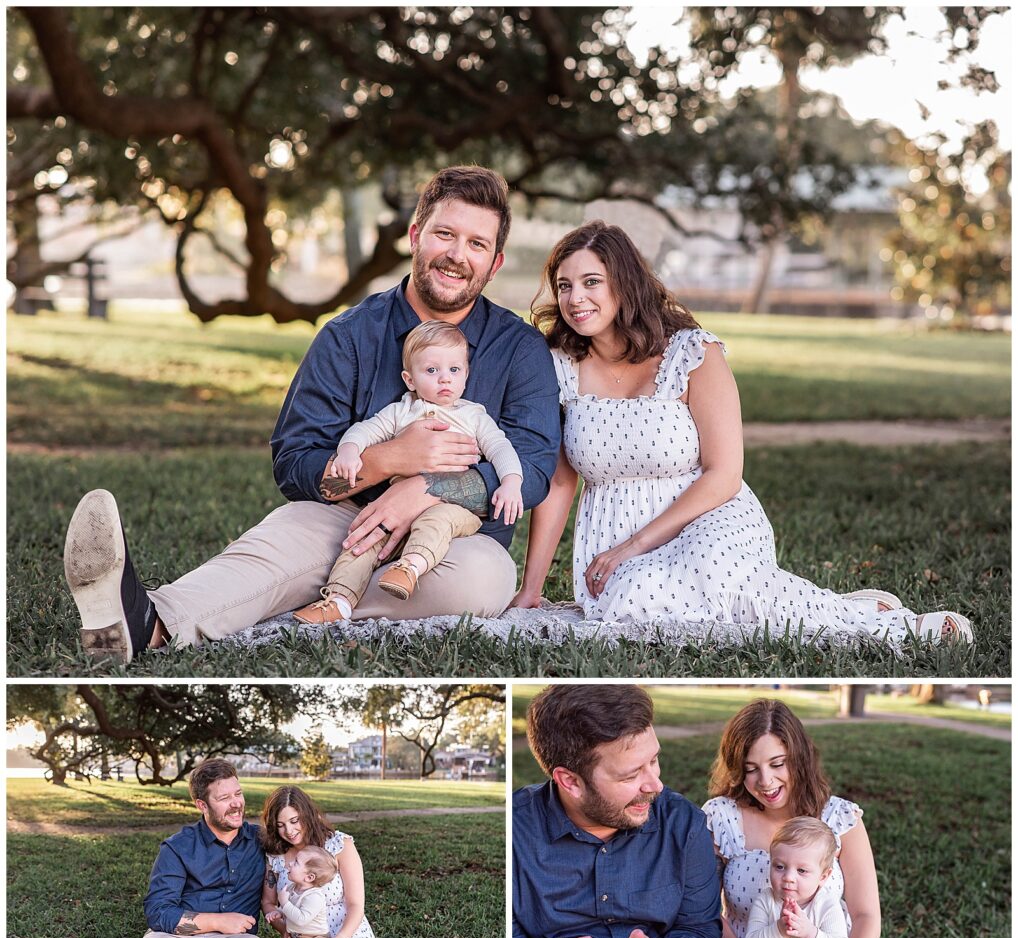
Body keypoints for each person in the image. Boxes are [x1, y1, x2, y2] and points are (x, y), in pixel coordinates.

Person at [62, 165, 560, 664]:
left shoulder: (519, 350)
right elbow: (296, 462)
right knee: (281, 543)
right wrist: (386, 462)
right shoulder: (348, 337)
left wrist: (425, 488)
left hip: (457, 540)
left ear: (494, 264)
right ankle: (145, 622)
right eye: (445, 234)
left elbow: (534, 469)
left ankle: (316, 601)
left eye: (476, 244)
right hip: (346, 519)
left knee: (484, 581)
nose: (456, 255)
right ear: (415, 236)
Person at [510, 220, 974, 649]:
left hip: (710, 515)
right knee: (634, 596)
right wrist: (532, 590)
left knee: (713, 575)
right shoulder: (560, 366)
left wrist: (633, 547)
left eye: (592, 282)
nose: (575, 299)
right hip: (614, 532)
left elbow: (724, 473)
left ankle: (893, 627)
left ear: (624, 284)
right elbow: (559, 481)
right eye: (565, 285)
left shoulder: (693, 354)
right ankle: (854, 607)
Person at [703, 698, 991, 938]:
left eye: (777, 763)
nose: (765, 781)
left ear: (798, 757)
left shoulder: (839, 817)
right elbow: (705, 910)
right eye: (750, 769)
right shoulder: (721, 818)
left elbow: (866, 914)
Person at [512, 684, 723, 938]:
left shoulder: (683, 824)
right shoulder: (514, 832)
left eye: (654, 760)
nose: (655, 784)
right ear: (570, 781)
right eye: (631, 774)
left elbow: (700, 928)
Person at [293, 318, 523, 623]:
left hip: (452, 506)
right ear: (410, 379)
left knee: (437, 521)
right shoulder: (401, 411)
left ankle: (409, 568)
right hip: (397, 508)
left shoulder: (473, 417)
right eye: (431, 370)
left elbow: (501, 448)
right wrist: (348, 451)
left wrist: (510, 482)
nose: (445, 379)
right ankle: (338, 600)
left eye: (454, 370)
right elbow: (365, 431)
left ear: (466, 375)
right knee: (362, 540)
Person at [20, 758, 273, 938]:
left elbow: (306, 845)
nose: (236, 804)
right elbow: (159, 912)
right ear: (202, 805)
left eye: (238, 794)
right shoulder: (178, 847)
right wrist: (218, 921)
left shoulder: (260, 839)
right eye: (224, 798)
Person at [259, 785, 474, 938]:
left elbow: (355, 904)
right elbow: (268, 902)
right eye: (281, 825)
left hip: (347, 931)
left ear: (307, 815)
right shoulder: (276, 857)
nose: (289, 831)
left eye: (295, 821)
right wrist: (286, 930)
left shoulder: (339, 845)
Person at [744, 817, 848, 938]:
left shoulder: (827, 905)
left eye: (801, 870)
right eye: (779, 867)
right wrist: (780, 930)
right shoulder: (766, 900)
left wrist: (809, 932)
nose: (788, 877)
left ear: (824, 876)